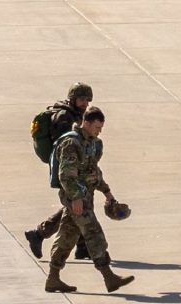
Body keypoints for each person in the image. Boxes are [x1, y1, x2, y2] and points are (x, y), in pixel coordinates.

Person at [44, 106, 134, 295]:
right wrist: (76, 198)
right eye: (96, 127)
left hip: (84, 196)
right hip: (76, 198)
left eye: (100, 129)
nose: (98, 132)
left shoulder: (90, 143)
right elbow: (66, 175)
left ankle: (53, 278)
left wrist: (107, 192)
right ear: (86, 122)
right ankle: (109, 277)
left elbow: (93, 172)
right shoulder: (72, 143)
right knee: (94, 233)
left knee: (67, 235)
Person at [25, 84, 97, 259]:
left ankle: (81, 247)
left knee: (79, 204)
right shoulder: (64, 117)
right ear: (73, 99)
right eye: (82, 99)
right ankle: (40, 233)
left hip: (75, 167)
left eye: (87, 100)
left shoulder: (76, 114)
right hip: (67, 169)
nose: (85, 103)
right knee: (78, 204)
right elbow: (65, 147)